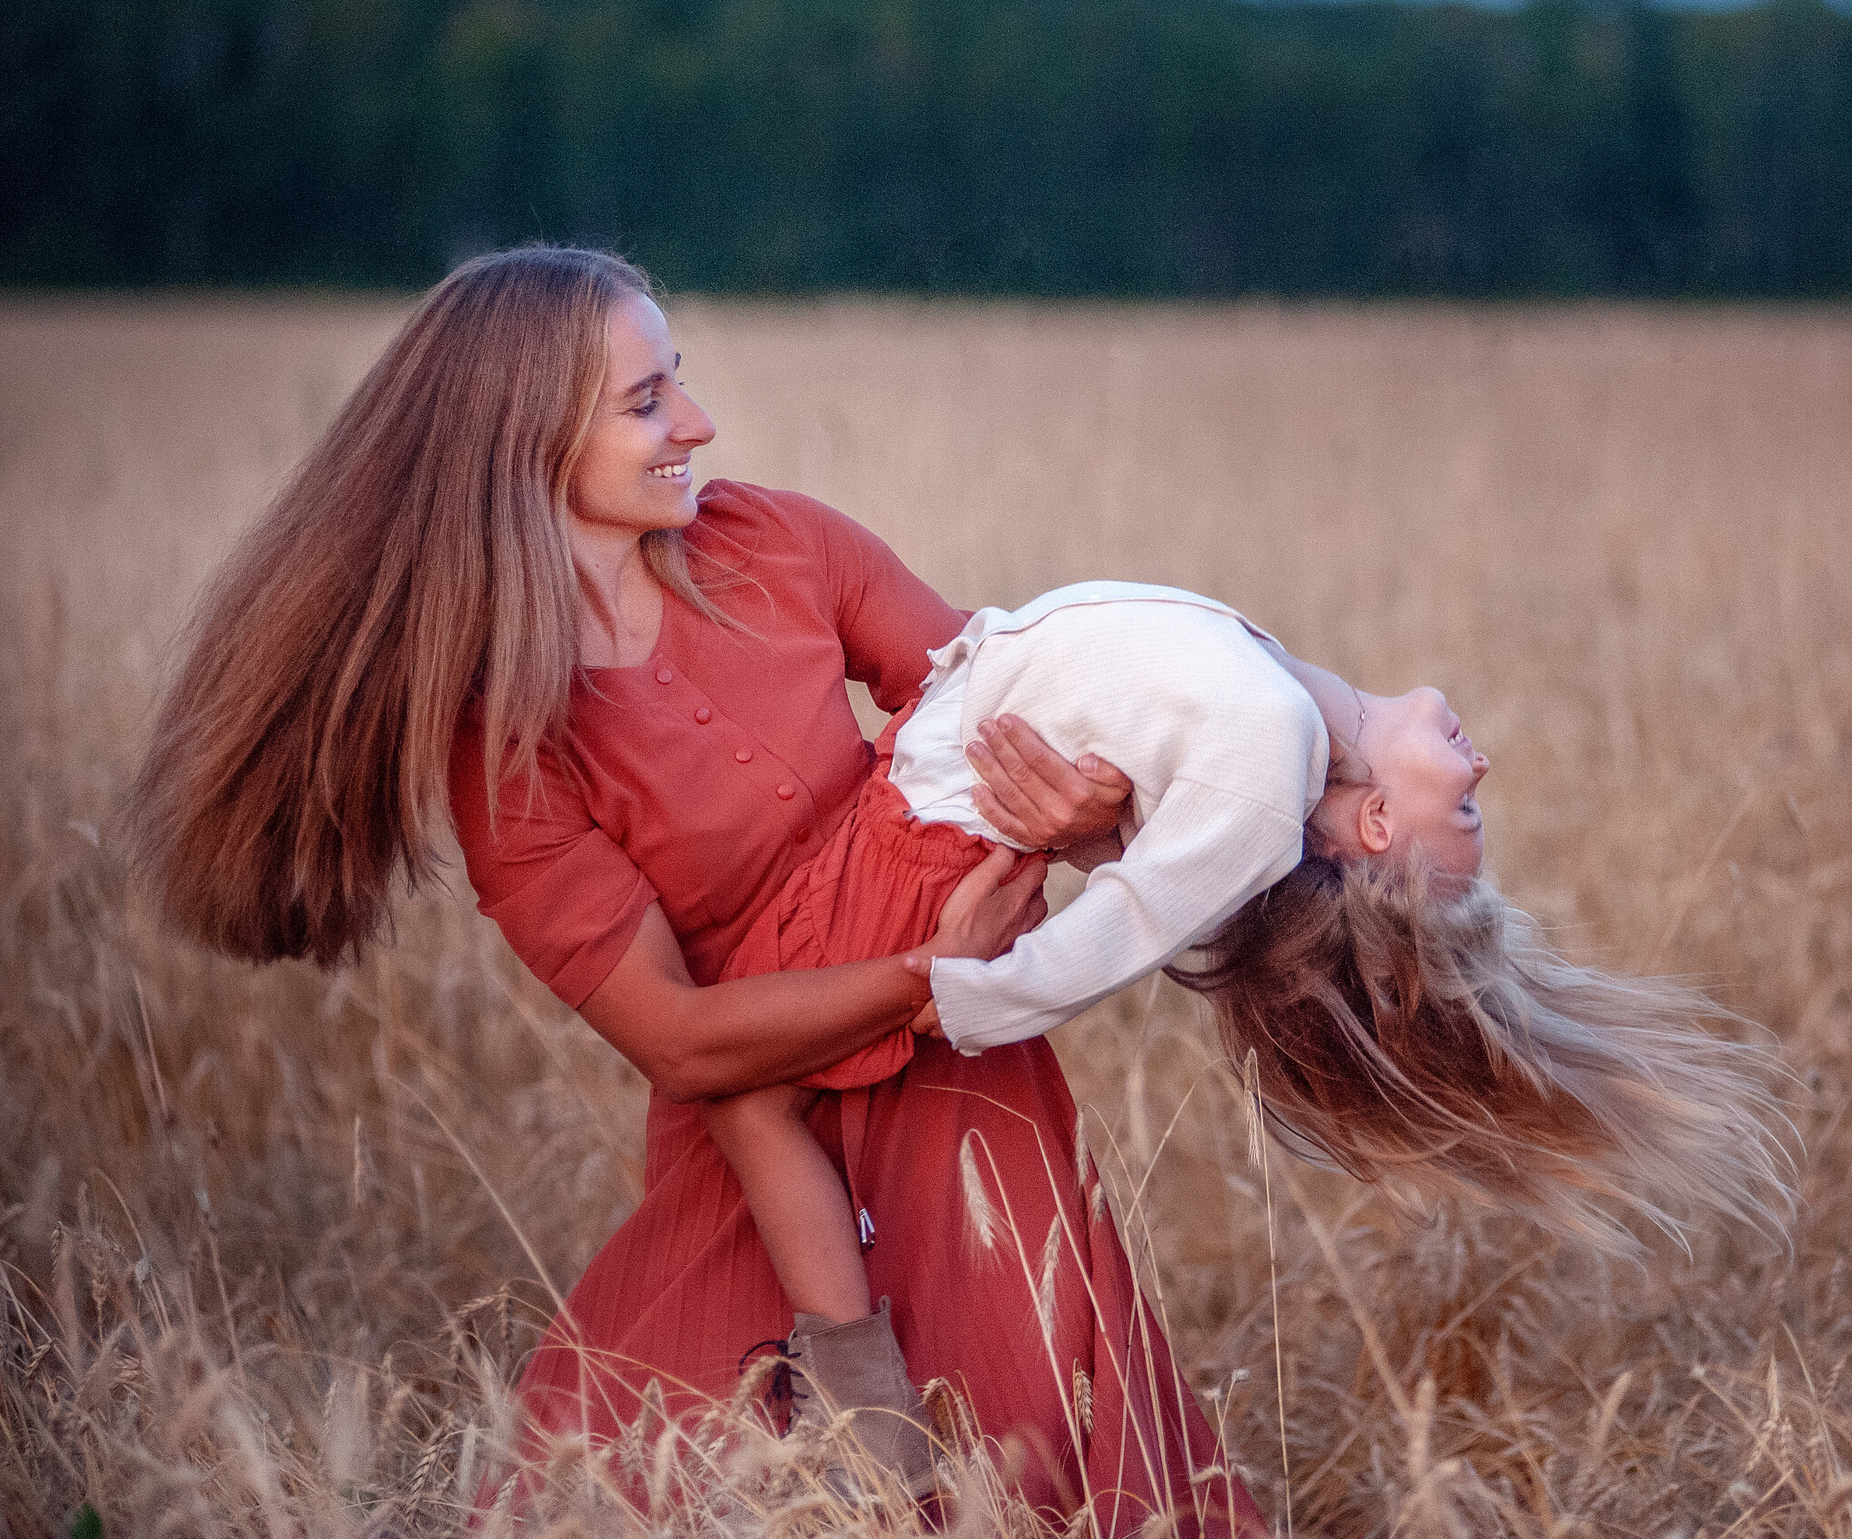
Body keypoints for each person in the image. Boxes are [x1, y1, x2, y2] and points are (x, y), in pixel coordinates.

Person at [128, 246, 1266, 1534]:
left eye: (682, 381)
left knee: (1055, 1469)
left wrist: (1092, 812)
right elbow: (672, 1035)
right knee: (638, 1489)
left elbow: (1006, 711)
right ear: (524, 440)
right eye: (645, 401)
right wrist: (933, 981)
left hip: (966, 1111)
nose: (698, 423)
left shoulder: (781, 542)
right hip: (759, 1133)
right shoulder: (504, 741)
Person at [703, 581, 1792, 1491]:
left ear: (1375, 827)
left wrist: (968, 991)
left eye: (1460, 815)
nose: (1480, 772)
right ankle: (862, 1412)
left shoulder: (1272, 754)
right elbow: (1145, 792)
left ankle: (868, 1424)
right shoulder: (1283, 716)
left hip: (917, 865)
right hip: (896, 814)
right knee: (767, 1108)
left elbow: (1131, 921)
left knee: (753, 1105)